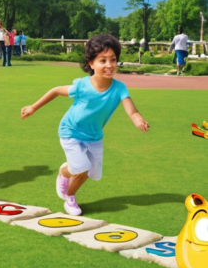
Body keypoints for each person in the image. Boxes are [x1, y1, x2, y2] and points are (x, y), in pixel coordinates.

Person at [21, 34, 150, 215]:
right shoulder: (82, 86)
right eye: (102, 60)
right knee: (81, 167)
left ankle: (66, 173)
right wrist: (33, 107)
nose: (109, 65)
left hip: (94, 136)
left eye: (113, 60)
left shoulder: (119, 88)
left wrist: (139, 120)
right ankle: (70, 196)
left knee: (92, 173)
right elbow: (57, 90)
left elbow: (132, 111)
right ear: (91, 63)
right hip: (71, 131)